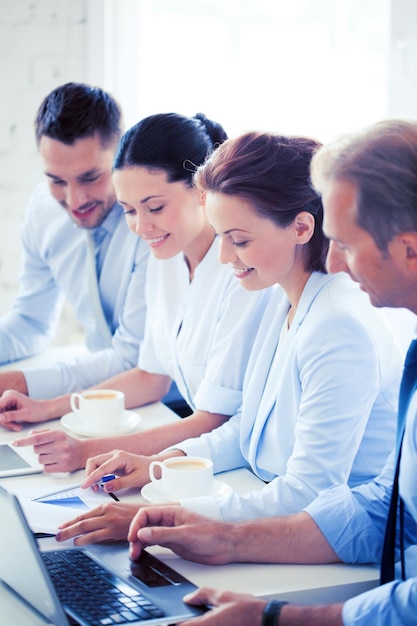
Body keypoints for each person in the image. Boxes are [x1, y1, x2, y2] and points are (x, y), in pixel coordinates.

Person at [122, 119, 417, 625]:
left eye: (344, 243)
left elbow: (327, 495)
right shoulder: (282, 299)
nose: (337, 264)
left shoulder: (340, 321)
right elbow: (390, 506)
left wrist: (274, 613)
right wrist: (175, 482)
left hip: (351, 578)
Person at [56, 130, 401, 545]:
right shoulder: (282, 297)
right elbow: (247, 429)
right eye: (221, 237)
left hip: (331, 543)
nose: (223, 257)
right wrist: (163, 464)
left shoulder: (338, 325)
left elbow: (309, 494)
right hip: (263, 499)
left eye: (239, 240)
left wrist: (165, 515)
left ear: (301, 227)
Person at [4, 114, 270, 474]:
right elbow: (150, 376)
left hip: (245, 464)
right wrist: (48, 407)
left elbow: (213, 420)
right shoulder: (165, 256)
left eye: (155, 207)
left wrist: (85, 451)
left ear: (202, 192)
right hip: (205, 456)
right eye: (128, 210)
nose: (141, 227)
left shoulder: (241, 271)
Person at [0, 82, 150, 400]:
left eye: (90, 177)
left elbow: (133, 358)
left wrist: (17, 383)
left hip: (163, 402)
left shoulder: (150, 221)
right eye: (56, 181)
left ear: (121, 152)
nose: (74, 200)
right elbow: (31, 321)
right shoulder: (43, 210)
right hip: (90, 396)